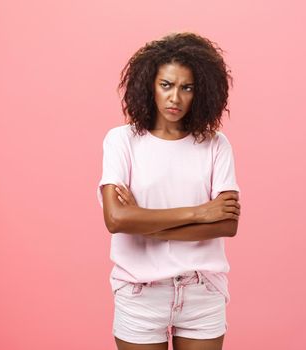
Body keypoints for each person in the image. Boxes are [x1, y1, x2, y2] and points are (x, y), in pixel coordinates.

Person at [97, 32, 241, 350]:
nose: (175, 98)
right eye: (166, 85)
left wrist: (143, 221)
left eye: (186, 87)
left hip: (202, 291)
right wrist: (199, 212)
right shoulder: (122, 141)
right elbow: (117, 219)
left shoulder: (216, 145)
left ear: (200, 92)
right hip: (140, 292)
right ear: (150, 85)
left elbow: (227, 225)